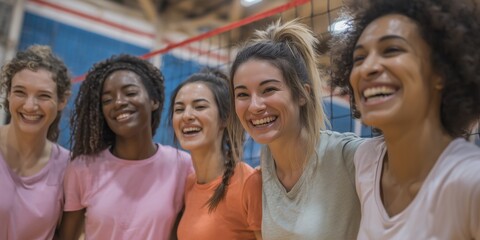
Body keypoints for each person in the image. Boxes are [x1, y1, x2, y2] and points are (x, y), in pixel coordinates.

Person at [330, 0, 480, 238]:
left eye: (392, 50)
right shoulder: (366, 161)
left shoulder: (471, 181)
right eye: (359, 58)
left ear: (441, 71)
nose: (367, 68)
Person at [229, 20, 363, 239]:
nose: (254, 106)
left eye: (268, 89)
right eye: (242, 94)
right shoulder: (263, 171)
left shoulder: (349, 156)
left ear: (302, 94)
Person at [59, 54, 193, 239]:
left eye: (130, 93)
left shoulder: (182, 166)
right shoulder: (83, 168)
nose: (119, 102)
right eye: (107, 100)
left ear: (154, 100)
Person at [169, 69, 262, 240]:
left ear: (225, 118)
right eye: (179, 109)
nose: (187, 115)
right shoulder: (189, 183)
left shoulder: (248, 181)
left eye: (200, 106)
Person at [0, 45, 71, 239]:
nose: (30, 105)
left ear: (62, 100)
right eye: (20, 92)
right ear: (8, 94)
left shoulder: (70, 169)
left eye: (44, 95)